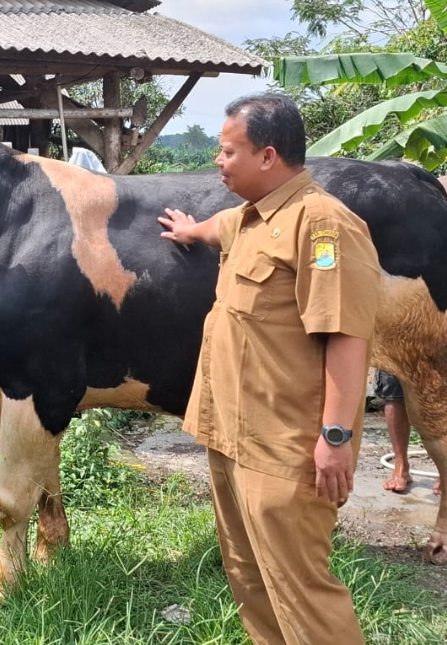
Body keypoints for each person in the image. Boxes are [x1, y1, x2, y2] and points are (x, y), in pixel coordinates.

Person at [158, 94, 381, 645]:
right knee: (248, 575)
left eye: (228, 150)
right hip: (231, 434)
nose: (218, 160)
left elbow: (347, 337)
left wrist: (335, 436)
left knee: (300, 589)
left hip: (286, 447)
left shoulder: (323, 226)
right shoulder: (251, 219)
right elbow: (218, 229)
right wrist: (191, 230)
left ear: (268, 155)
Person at [368, 174, 447, 493]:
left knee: (437, 397)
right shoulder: (401, 228)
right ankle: (402, 466)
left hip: (439, 329)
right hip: (396, 327)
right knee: (393, 394)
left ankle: (446, 473)